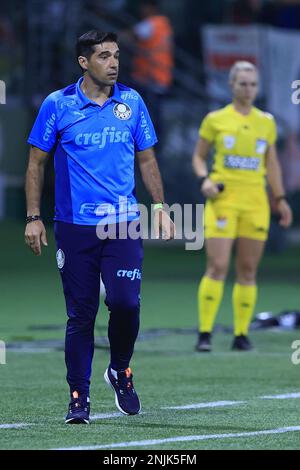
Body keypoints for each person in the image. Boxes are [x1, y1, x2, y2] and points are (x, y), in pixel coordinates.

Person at [24, 30, 175, 424]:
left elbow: (147, 159)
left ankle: (120, 369)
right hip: (74, 226)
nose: (113, 63)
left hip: (123, 223)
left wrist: (160, 205)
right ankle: (79, 396)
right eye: (105, 56)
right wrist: (33, 217)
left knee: (125, 303)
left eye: (117, 56)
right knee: (81, 314)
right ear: (84, 62)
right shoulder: (58, 105)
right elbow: (36, 162)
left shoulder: (132, 102)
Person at [192, 61, 293, 352]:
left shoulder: (266, 122)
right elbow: (199, 157)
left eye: (253, 84)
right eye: (242, 83)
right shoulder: (216, 119)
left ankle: (240, 334)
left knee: (248, 268)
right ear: (231, 85)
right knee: (218, 265)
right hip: (223, 200)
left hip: (255, 202)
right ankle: (205, 333)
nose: (248, 89)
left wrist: (280, 198)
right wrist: (204, 179)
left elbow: (271, 163)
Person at [129, 0, 174, 139]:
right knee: (155, 114)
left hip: (149, 76)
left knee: (148, 114)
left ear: (150, 7)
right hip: (162, 76)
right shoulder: (164, 24)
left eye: (144, 7)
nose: (142, 10)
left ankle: (151, 143)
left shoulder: (151, 23)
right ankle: (155, 143)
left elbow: (133, 34)